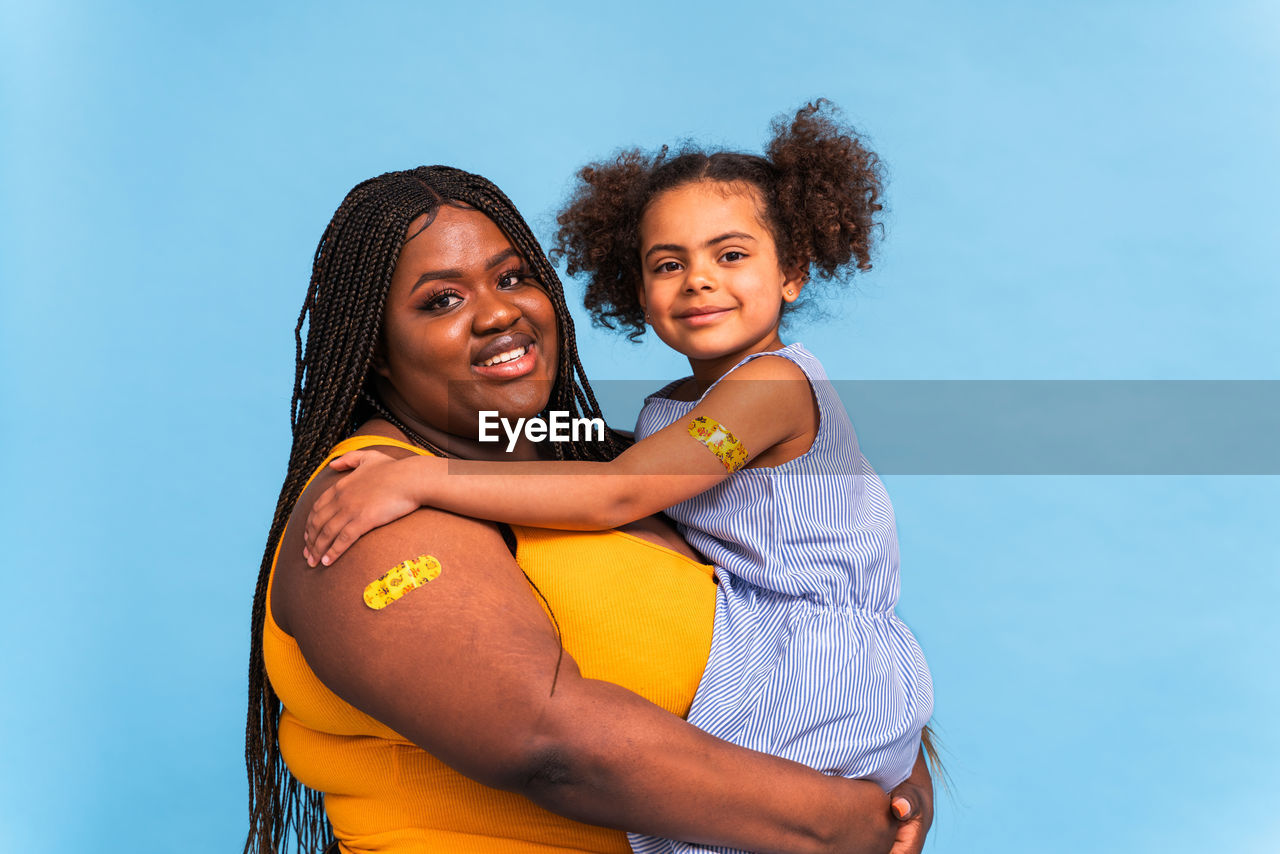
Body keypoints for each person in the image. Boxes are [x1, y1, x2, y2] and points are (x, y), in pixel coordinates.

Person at [245, 164, 934, 854]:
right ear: (377, 353)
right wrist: (843, 822)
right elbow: (549, 744)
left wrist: (895, 769)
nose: (498, 312)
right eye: (441, 301)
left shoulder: (587, 453)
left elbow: (789, 604)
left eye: (514, 278)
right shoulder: (371, 499)